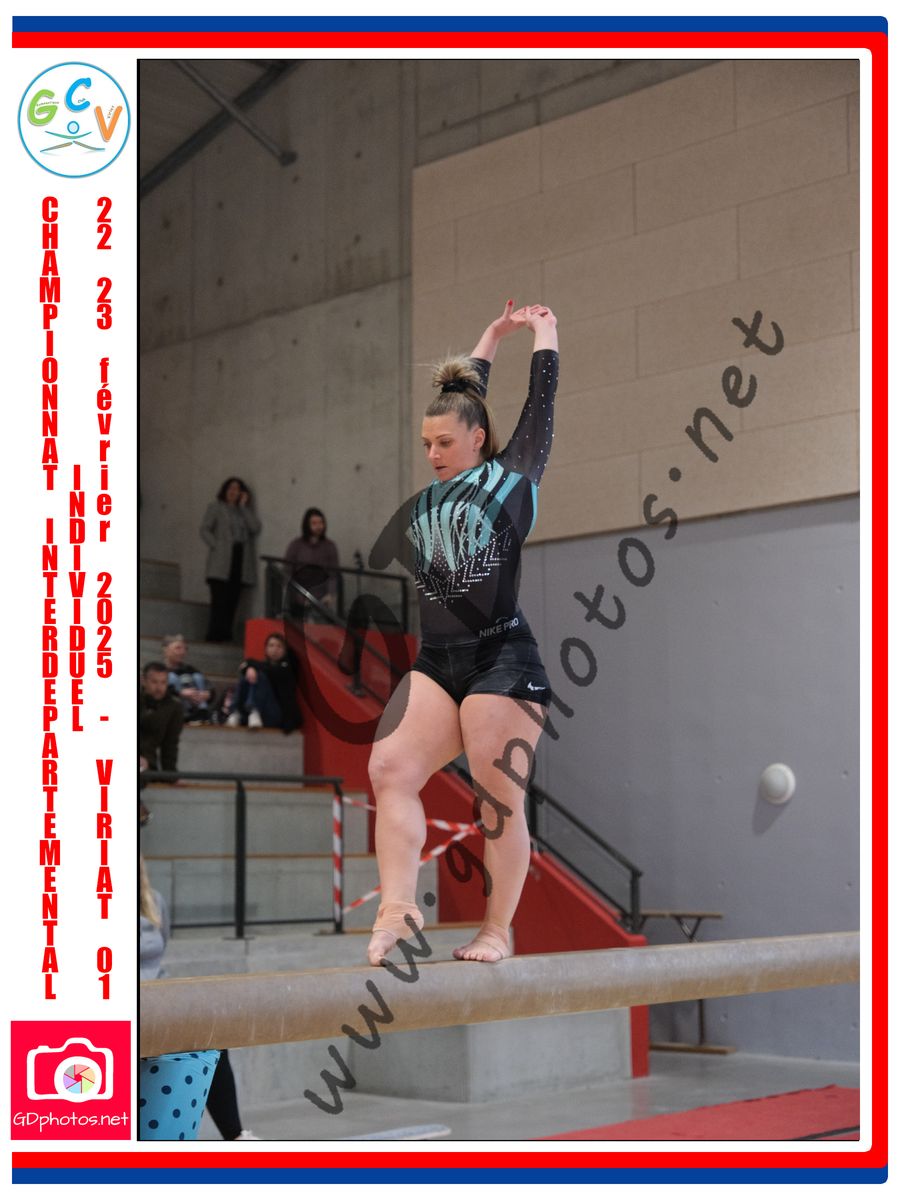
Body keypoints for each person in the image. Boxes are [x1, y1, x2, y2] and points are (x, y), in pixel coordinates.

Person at [365, 301, 559, 966]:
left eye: (444, 443)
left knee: (497, 796)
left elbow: (540, 405)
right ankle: (397, 907)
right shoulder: (432, 494)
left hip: (503, 658)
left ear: (478, 439)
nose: (433, 453)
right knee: (389, 767)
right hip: (437, 660)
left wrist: (544, 332)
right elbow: (464, 392)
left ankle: (497, 930)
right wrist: (492, 335)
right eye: (426, 443)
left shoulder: (515, 477)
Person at [139, 857, 258, 1141]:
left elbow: (162, 947)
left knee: (212, 1035)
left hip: (160, 1000)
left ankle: (236, 1136)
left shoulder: (153, 901)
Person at [200, 477, 261, 642]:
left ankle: (226, 634)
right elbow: (205, 529)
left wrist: (243, 507)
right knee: (219, 598)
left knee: (233, 599)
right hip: (221, 559)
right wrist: (216, 544)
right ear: (225, 490)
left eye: (237, 489)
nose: (234, 492)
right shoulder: (216, 507)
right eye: (231, 488)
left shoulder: (243, 511)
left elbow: (255, 527)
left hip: (240, 558)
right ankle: (213, 634)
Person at [224, 631, 301, 732]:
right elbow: (260, 668)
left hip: (276, 714)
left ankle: (254, 710)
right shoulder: (261, 666)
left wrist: (249, 665)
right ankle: (236, 712)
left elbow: (272, 671)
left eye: (279, 646)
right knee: (249, 675)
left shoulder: (288, 667)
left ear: (285, 650)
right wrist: (249, 669)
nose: (275, 649)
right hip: (255, 716)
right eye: (271, 645)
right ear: (266, 648)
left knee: (258, 675)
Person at [284, 507, 340, 616]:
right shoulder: (296, 545)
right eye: (314, 523)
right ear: (307, 525)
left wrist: (331, 594)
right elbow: (287, 572)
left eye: (321, 523)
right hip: (298, 597)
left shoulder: (330, 546)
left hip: (322, 599)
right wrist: (298, 596)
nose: (318, 526)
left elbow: (333, 575)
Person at [140, 661, 184, 773]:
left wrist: (170, 775)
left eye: (163, 682)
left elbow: (170, 744)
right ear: (143, 681)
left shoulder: (173, 707)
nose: (159, 687)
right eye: (154, 682)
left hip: (147, 763)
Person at [162, 634, 212, 723]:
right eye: (178, 648)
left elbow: (209, 687)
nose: (182, 652)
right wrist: (180, 693)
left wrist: (207, 693)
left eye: (185, 649)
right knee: (172, 677)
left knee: (197, 677)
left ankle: (202, 713)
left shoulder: (190, 670)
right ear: (166, 650)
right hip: (172, 709)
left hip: (195, 706)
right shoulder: (159, 669)